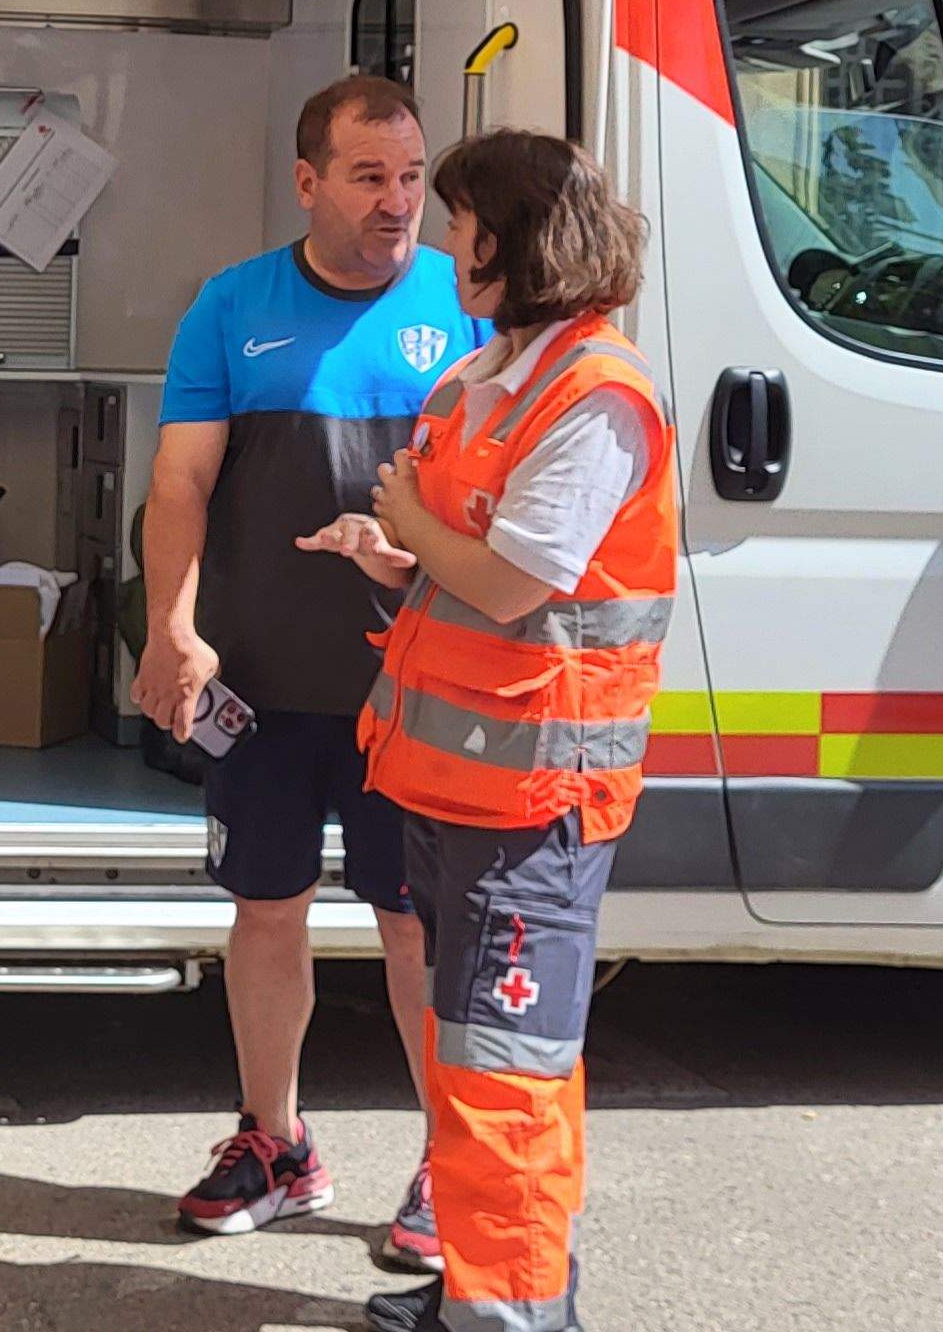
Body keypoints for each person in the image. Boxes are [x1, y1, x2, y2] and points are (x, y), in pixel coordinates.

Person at [298, 130, 669, 1332]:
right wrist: (394, 551)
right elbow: (462, 571)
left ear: (505, 242)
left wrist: (405, 513)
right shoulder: (495, 376)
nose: (445, 245)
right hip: (455, 790)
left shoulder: (594, 397)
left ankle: (503, 1317)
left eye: (458, 224)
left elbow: (519, 582)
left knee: (503, 1079)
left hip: (529, 807)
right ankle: (488, 1291)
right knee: (479, 1071)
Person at [137, 73, 485, 1269]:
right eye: (367, 176)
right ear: (306, 182)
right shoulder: (231, 309)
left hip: (418, 692)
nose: (398, 204)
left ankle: (450, 1162)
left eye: (409, 176)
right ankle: (275, 1144)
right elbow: (178, 485)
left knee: (413, 933)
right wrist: (169, 629)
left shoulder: (468, 307)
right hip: (267, 691)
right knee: (265, 913)